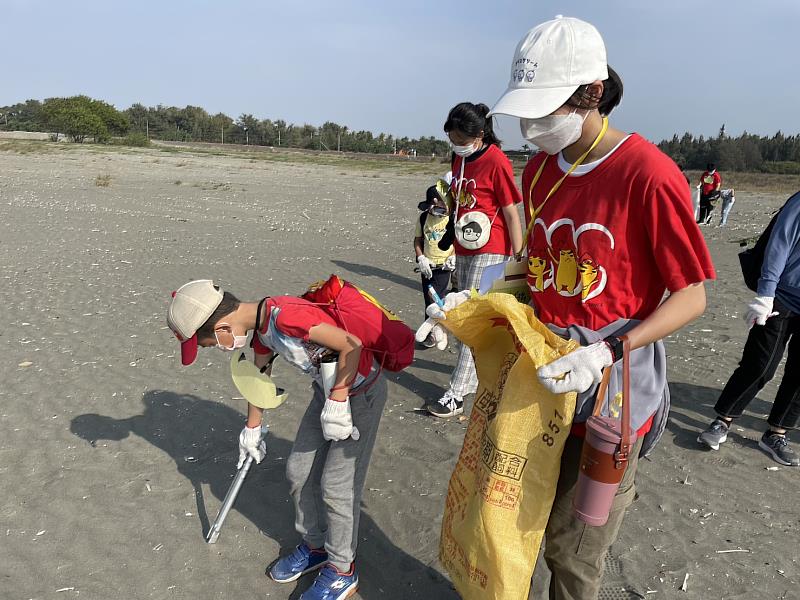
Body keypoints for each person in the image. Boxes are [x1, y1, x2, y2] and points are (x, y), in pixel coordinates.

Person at [483, 15, 715, 599]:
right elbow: (532, 267)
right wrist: (483, 300)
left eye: (544, 109)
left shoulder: (647, 173)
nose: (532, 126)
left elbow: (693, 294)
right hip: (542, 384)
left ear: (589, 94)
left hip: (612, 395)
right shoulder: (538, 170)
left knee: (574, 549)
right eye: (526, 112)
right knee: (521, 522)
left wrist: (609, 348)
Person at [167, 279, 388, 600]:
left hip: (360, 393)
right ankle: (316, 547)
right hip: (325, 395)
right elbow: (260, 378)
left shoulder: (285, 316)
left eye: (211, 344)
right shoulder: (262, 333)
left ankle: (342, 569)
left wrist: (340, 400)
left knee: (337, 487)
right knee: (298, 471)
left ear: (223, 329)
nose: (220, 348)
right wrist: (252, 429)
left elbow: (351, 345)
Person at [427, 101, 525, 418]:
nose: (456, 145)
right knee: (463, 314)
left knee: (471, 318)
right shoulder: (460, 159)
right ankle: (481, 379)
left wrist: (518, 255)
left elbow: (511, 210)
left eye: (461, 139)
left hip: (493, 247)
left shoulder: (496, 162)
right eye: (452, 139)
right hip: (465, 246)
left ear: (480, 135)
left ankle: (457, 393)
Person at [698, 191, 800, 466]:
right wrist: (765, 295)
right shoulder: (798, 203)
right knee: (760, 365)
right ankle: (723, 420)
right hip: (782, 296)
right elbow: (779, 246)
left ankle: (776, 433)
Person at [415, 173, 456, 349]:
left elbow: (459, 241)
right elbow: (418, 240)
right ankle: (434, 331)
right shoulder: (424, 218)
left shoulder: (451, 219)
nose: (435, 211)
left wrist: (454, 257)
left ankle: (435, 333)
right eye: (432, 207)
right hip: (427, 266)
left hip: (444, 266)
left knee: (436, 300)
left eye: (439, 206)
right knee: (428, 300)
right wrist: (421, 258)